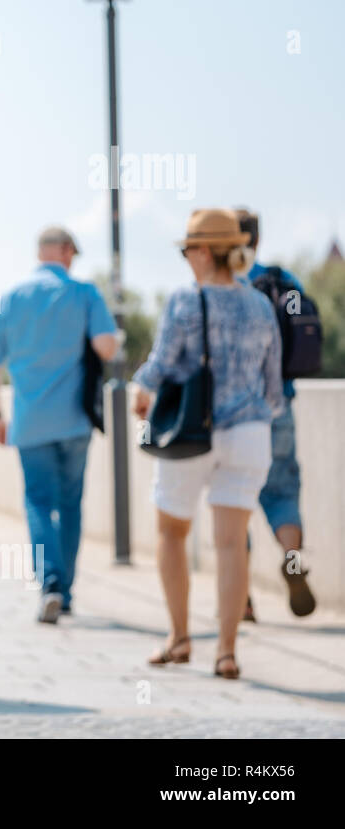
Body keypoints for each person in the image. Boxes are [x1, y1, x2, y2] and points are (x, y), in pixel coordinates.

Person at [133, 209, 283, 681]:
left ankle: (179, 639)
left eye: (186, 251)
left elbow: (158, 365)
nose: (184, 260)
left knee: (172, 532)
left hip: (191, 434)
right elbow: (274, 386)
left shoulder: (184, 299)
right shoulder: (260, 304)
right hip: (250, 435)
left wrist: (141, 393)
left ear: (203, 252)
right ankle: (226, 652)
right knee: (232, 543)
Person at [0, 227, 118, 623]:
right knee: (70, 504)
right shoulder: (85, 294)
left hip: (30, 421)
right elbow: (107, 346)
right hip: (74, 421)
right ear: (67, 251)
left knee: (38, 501)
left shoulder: (13, 297)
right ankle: (66, 591)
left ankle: (50, 584)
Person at [233, 207, 316, 618]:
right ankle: (292, 556)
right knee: (283, 492)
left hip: (231, 416)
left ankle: (242, 598)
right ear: (258, 239)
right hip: (279, 406)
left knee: (235, 505)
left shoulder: (222, 283)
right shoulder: (284, 281)